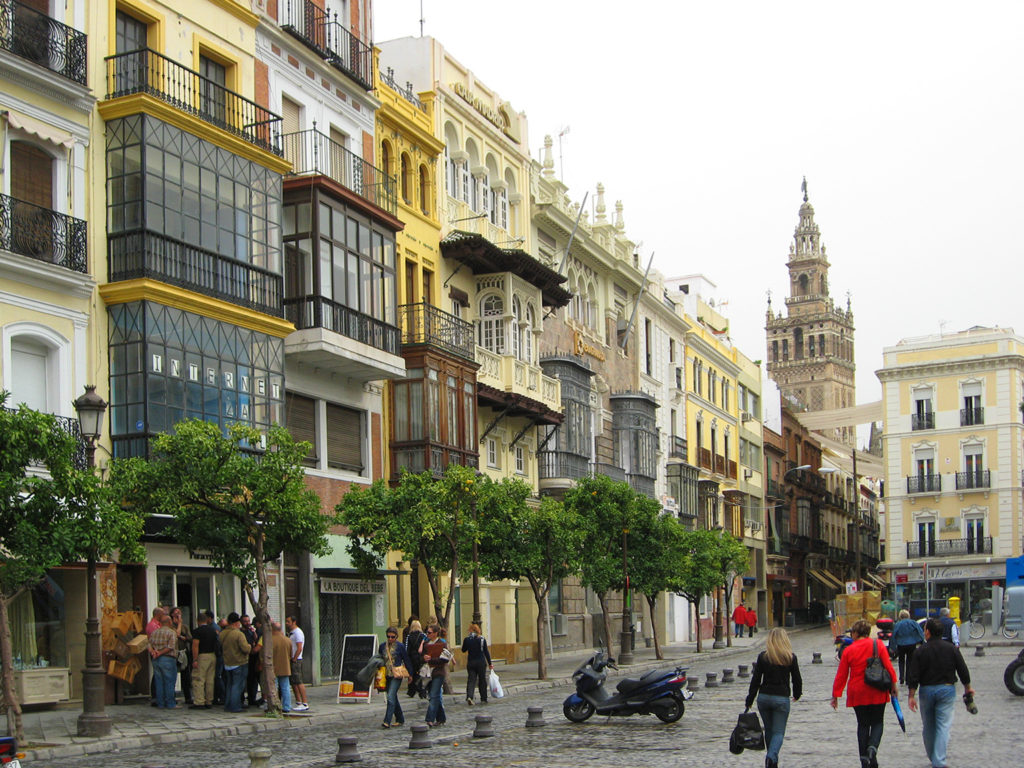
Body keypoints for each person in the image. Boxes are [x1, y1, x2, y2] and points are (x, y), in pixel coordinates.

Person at [831, 619, 899, 768]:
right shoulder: (878, 645)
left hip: (858, 692)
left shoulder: (848, 650)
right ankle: (872, 749)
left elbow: (842, 675)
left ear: (855, 633)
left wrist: (835, 695)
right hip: (877, 689)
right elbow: (888, 666)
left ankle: (864, 760)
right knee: (877, 722)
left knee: (862, 724)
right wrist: (893, 684)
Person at [907, 618, 975, 768]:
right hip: (947, 689)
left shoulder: (920, 651)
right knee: (943, 726)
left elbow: (913, 675)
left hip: (927, 690)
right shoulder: (951, 649)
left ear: (928, 632)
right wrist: (967, 687)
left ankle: (934, 758)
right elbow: (962, 669)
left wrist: (911, 695)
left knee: (928, 726)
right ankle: (939, 761)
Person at [745, 628, 802, 768]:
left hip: (764, 697)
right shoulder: (790, 657)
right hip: (781, 698)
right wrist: (797, 694)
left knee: (769, 730)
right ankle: (771, 756)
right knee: (778, 732)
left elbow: (756, 680)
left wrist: (750, 700)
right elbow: (797, 679)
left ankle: (772, 763)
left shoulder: (763, 657)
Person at [379, 626, 411, 728]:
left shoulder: (400, 646)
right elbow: (379, 659)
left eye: (392, 637)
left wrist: (410, 674)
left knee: (390, 697)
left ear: (396, 637)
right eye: (388, 636)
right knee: (393, 697)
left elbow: (406, 660)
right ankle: (400, 718)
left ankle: (387, 721)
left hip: (396, 675)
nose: (390, 639)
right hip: (386, 675)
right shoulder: (382, 646)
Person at [219, 612, 251, 713]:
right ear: (237, 622)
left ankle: (228, 705)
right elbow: (245, 649)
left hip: (227, 663)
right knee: (237, 685)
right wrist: (250, 646)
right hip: (239, 662)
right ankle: (235, 706)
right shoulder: (238, 634)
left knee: (229, 685)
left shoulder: (222, 633)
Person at [148, 614, 179, 709]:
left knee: (159, 681)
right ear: (169, 622)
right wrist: (160, 653)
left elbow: (148, 644)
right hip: (168, 658)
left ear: (160, 623)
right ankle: (170, 703)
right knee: (169, 681)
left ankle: (160, 703)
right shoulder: (171, 632)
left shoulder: (154, 632)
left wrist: (153, 652)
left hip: (156, 659)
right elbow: (171, 646)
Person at [422, 624, 450, 727]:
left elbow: (445, 659)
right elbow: (421, 656)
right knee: (435, 696)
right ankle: (441, 718)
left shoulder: (442, 644)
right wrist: (423, 658)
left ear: (435, 633)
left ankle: (429, 719)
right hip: (428, 673)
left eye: (429, 632)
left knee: (433, 695)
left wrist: (432, 659)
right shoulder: (426, 644)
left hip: (438, 673)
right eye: (427, 632)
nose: (427, 634)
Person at [190, 610, 219, 709]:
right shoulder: (213, 630)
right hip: (212, 656)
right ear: (206, 620)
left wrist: (195, 659)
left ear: (198, 621)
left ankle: (199, 701)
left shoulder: (197, 631)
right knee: (210, 680)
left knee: (199, 679)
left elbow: (195, 646)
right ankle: (209, 701)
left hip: (202, 656)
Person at [890, 609, 925, 685]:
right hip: (912, 644)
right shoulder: (913, 622)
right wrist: (922, 641)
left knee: (901, 661)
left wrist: (892, 647)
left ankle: (901, 677)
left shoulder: (898, 624)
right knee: (910, 661)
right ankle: (908, 678)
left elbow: (893, 635)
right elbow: (920, 631)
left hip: (901, 644)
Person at [461, 623, 492, 705]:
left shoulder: (467, 639)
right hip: (481, 662)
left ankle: (469, 696)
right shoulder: (482, 639)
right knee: (482, 680)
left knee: (471, 680)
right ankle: (483, 698)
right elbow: (486, 652)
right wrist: (490, 663)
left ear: (471, 630)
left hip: (471, 662)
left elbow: (463, 650)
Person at [169, 606, 192, 706]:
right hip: (174, 652)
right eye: (176, 613)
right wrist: (179, 624)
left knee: (186, 675)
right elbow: (175, 634)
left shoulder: (185, 627)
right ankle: (172, 696)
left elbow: (189, 638)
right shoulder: (170, 626)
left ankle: (188, 696)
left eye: (179, 613)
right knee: (173, 674)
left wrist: (183, 637)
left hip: (183, 652)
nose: (178, 615)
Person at [286, 615, 309, 711]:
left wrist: (295, 658)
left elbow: (299, 647)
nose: (287, 623)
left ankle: (304, 702)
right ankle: (298, 701)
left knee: (299, 681)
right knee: (293, 682)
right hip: (291, 658)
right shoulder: (291, 633)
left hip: (296, 659)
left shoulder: (298, 633)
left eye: (288, 621)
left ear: (294, 622)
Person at [270, 622, 292, 713]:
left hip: (272, 667)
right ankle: (287, 706)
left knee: (273, 687)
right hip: (285, 666)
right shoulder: (287, 640)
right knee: (285, 687)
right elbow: (291, 653)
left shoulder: (269, 640)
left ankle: (274, 705)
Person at [240, 614, 262, 707]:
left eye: (248, 621)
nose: (248, 623)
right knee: (242, 680)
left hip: (253, 659)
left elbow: (256, 641)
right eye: (245, 621)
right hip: (244, 658)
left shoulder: (251, 631)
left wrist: (254, 634)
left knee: (252, 680)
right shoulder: (240, 632)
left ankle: (251, 698)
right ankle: (241, 699)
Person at [405, 619, 427, 699]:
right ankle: (422, 691)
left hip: (412, 658)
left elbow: (407, 649)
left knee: (412, 674)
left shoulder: (409, 636)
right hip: (421, 658)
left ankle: (411, 691)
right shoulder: (423, 636)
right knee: (421, 674)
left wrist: (406, 659)